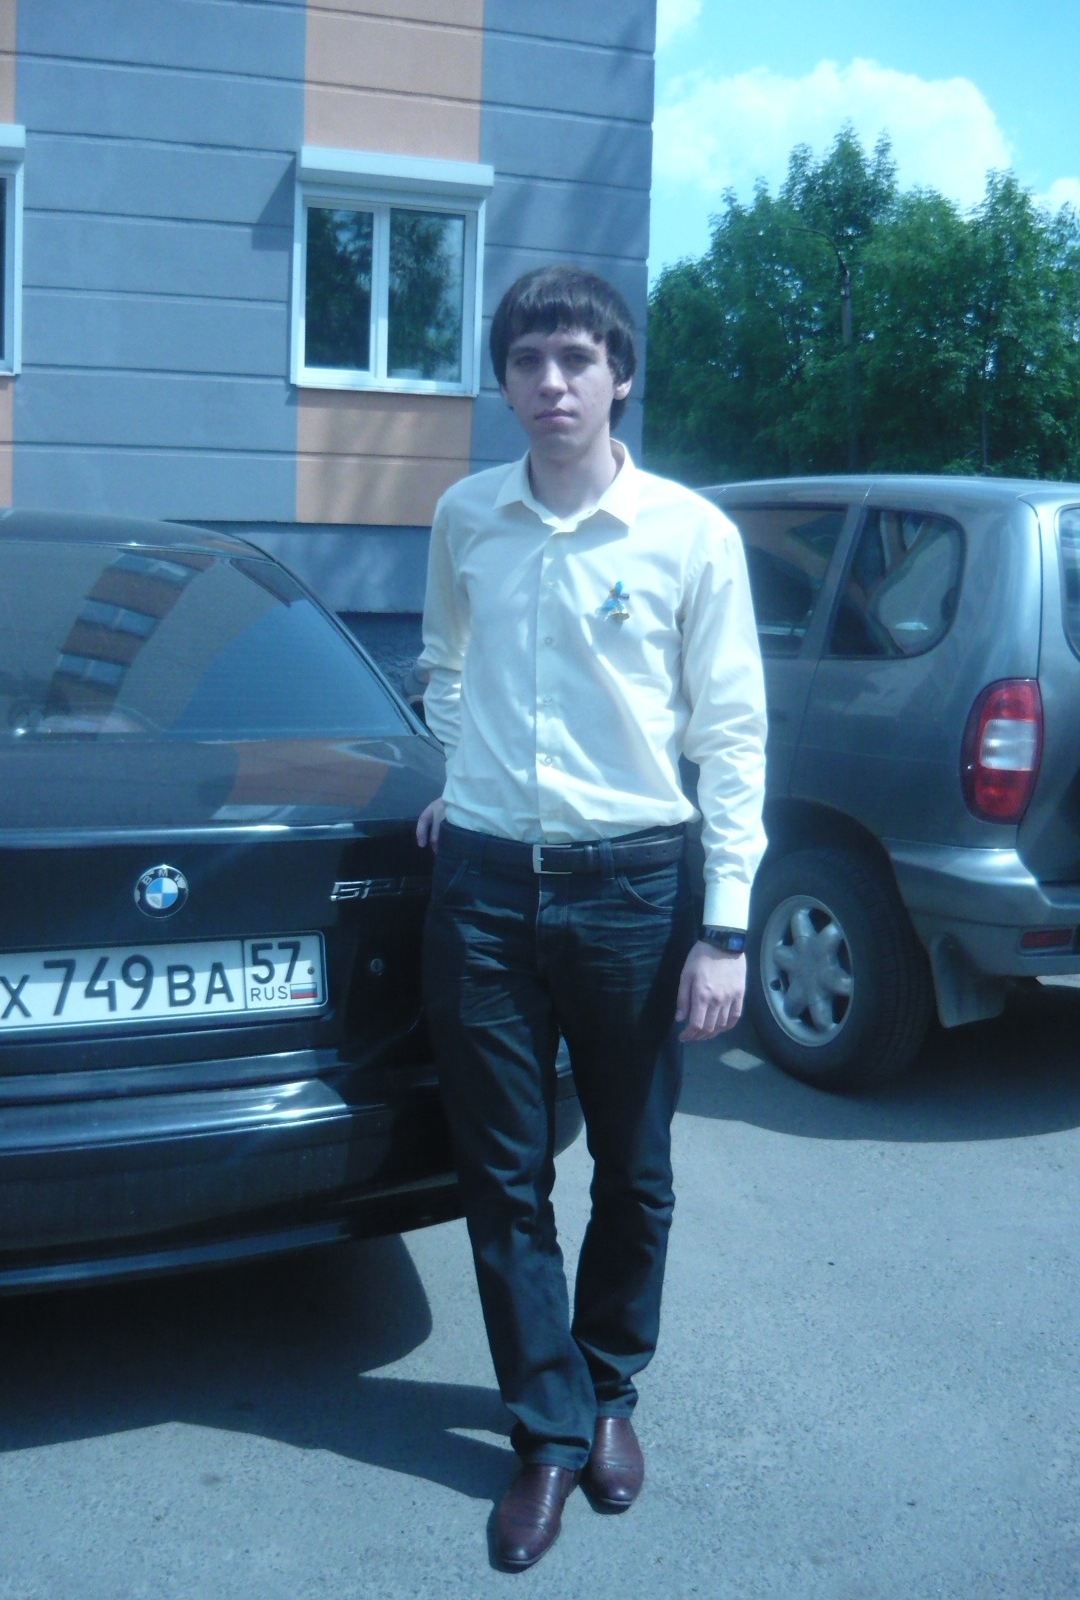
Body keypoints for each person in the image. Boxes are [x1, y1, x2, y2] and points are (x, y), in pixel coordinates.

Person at [415, 265, 767, 1571]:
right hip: (484, 890)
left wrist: (725, 927)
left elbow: (731, 738)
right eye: (527, 361)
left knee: (635, 1166)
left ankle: (611, 1385)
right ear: (503, 382)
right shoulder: (466, 516)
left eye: (575, 358)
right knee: (502, 1174)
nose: (551, 383)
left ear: (620, 375)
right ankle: (548, 1433)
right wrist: (465, 780)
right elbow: (447, 665)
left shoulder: (688, 535)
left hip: (634, 890)